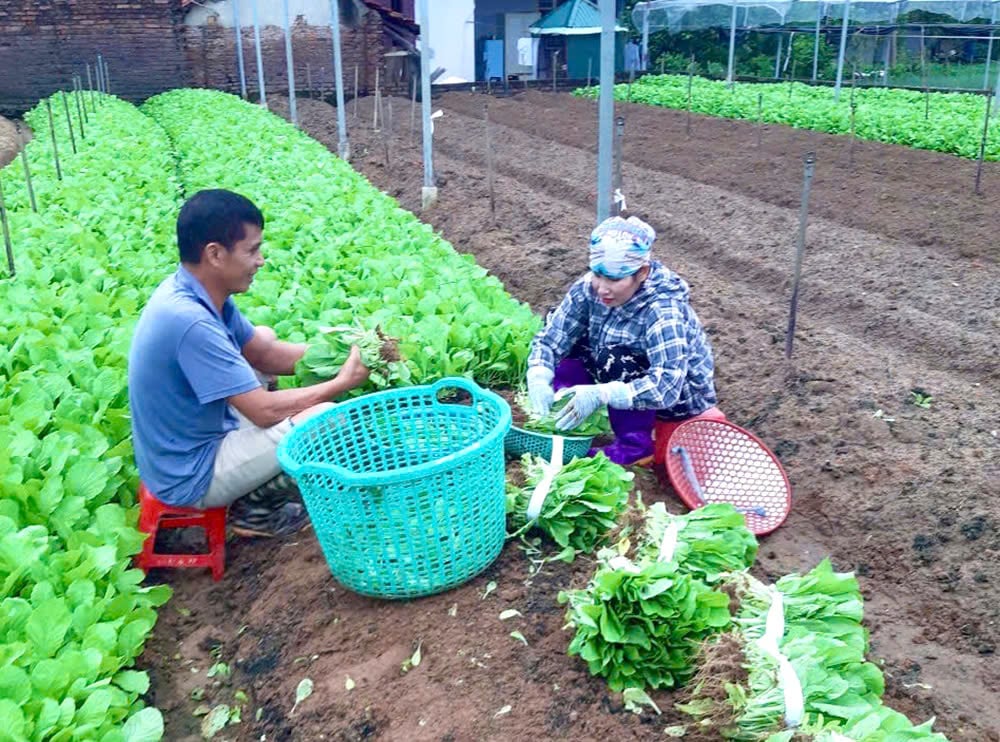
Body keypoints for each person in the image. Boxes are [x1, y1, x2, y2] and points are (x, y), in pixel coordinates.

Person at [128, 189, 371, 537]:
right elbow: (262, 412)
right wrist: (341, 382)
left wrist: (343, 355)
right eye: (252, 250)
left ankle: (256, 495)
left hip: (192, 439)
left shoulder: (197, 293)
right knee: (326, 421)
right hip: (193, 472)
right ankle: (254, 512)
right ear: (215, 254)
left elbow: (264, 354)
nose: (260, 260)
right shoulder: (190, 322)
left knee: (264, 336)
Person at [525, 215, 717, 466]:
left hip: (675, 398)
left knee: (613, 359)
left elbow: (667, 386)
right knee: (566, 333)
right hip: (618, 367)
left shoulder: (663, 309)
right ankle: (566, 414)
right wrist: (538, 374)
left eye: (615, 279)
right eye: (597, 274)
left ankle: (635, 447)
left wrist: (601, 393)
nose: (602, 288)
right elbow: (552, 339)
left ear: (642, 273)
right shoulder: (588, 288)